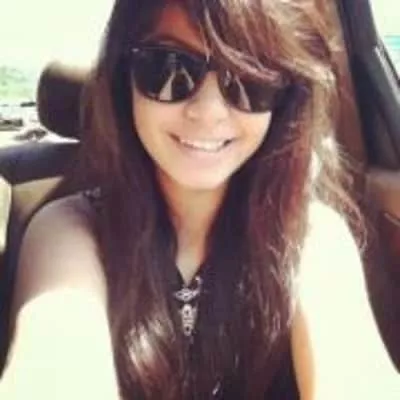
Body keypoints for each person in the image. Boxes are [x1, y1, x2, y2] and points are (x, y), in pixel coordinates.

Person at [0, 0, 398, 399]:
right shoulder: (71, 230)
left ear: (284, 98)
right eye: (169, 67)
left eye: (248, 78)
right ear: (125, 78)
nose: (208, 113)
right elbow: (56, 356)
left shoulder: (311, 235)